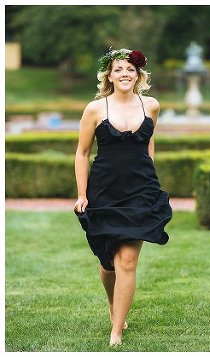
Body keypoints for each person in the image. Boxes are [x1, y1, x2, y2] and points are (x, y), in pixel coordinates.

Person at [74, 48, 173, 347]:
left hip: (141, 191)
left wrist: (150, 182)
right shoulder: (95, 109)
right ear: (109, 75)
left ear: (138, 74)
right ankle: (112, 303)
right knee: (109, 265)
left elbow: (148, 145)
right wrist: (82, 194)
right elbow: (81, 153)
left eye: (130, 69)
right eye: (119, 69)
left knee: (128, 261)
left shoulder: (151, 106)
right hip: (104, 191)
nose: (125, 74)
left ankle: (116, 331)